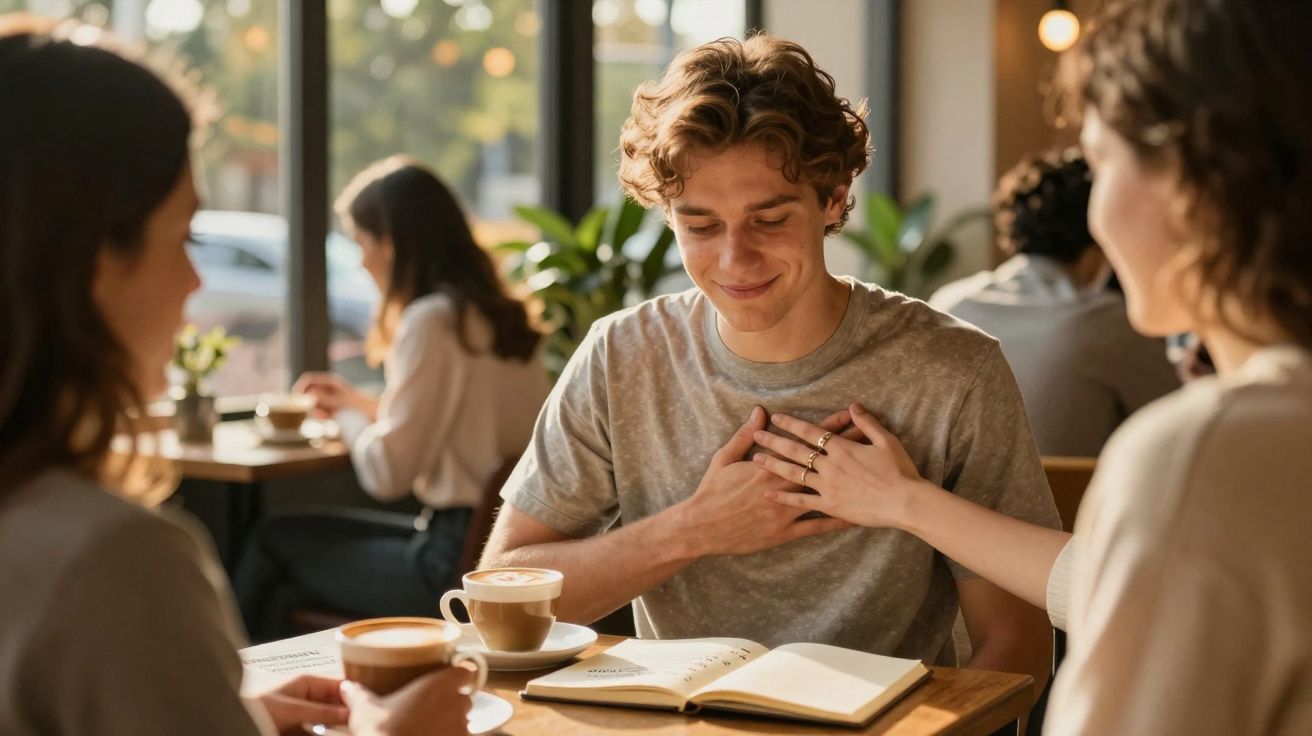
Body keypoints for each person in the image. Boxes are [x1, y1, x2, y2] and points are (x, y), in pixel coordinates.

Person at [752, 0, 1312, 732]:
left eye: (1101, 161)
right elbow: (1104, 583)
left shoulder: (1206, 448)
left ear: (1195, 181)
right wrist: (904, 501)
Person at [480, 33, 1060, 694]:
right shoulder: (621, 356)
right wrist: (690, 531)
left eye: (770, 219)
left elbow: (1016, 642)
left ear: (834, 198)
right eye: (700, 226)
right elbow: (504, 598)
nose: (734, 261)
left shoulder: (954, 370)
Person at [0, 18, 471, 735]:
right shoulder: (114, 562)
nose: (196, 280)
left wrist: (224, 713)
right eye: (185, 235)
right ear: (95, 259)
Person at [235, 156, 550, 642]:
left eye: (363, 242)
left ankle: (226, 699)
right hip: (493, 548)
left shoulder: (431, 321)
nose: (360, 260)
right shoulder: (498, 318)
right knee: (284, 597)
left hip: (446, 566)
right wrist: (362, 405)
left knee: (274, 538)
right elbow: (458, 422)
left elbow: (387, 474)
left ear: (394, 243)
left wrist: (343, 418)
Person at [930, 147, 1179, 456]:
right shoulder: (1105, 322)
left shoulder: (948, 304)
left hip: (943, 497)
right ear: (1098, 236)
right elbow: (1180, 419)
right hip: (1069, 503)